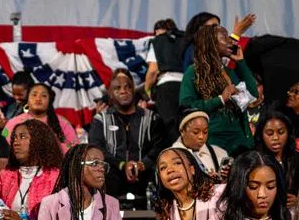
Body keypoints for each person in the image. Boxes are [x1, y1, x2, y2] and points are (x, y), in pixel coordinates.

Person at [36, 144, 123, 220]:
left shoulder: (111, 205)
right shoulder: (50, 204)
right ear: (76, 167)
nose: (101, 168)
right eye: (94, 163)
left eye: (103, 164)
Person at [88, 68, 166, 206]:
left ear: (134, 90)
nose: (123, 91)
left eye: (127, 87)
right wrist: (122, 165)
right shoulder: (100, 119)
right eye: (117, 88)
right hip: (112, 174)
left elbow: (159, 146)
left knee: (157, 172)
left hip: (144, 173)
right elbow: (97, 149)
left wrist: (142, 165)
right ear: (110, 94)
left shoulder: (152, 118)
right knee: (101, 172)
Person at [180, 24, 257, 154]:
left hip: (238, 139)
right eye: (225, 38)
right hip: (212, 138)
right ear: (211, 43)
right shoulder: (193, 72)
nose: (230, 42)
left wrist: (241, 62)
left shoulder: (229, 72)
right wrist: (220, 99)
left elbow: (252, 93)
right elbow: (186, 105)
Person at [0, 119, 64, 220]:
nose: (16, 142)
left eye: (23, 137)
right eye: (14, 138)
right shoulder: (5, 175)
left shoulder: (56, 176)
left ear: (39, 141)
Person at [253, 108, 299, 208]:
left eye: (281, 132)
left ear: (288, 133)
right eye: (269, 133)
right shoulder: (253, 161)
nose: (275, 138)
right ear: (261, 134)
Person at [3, 83, 78, 152]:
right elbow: (4, 149)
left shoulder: (62, 123)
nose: (38, 98)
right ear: (27, 100)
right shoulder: (14, 122)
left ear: (49, 101)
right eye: (34, 95)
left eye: (44, 96)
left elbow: (74, 149)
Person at [143, 18, 188, 132]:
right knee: (186, 123)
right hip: (187, 86)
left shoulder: (159, 41)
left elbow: (153, 71)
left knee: (169, 126)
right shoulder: (187, 40)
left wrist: (147, 90)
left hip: (167, 88)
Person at [172, 110, 229, 178]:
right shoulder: (171, 157)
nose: (201, 136)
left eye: (205, 132)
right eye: (195, 132)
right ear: (182, 131)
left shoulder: (219, 153)